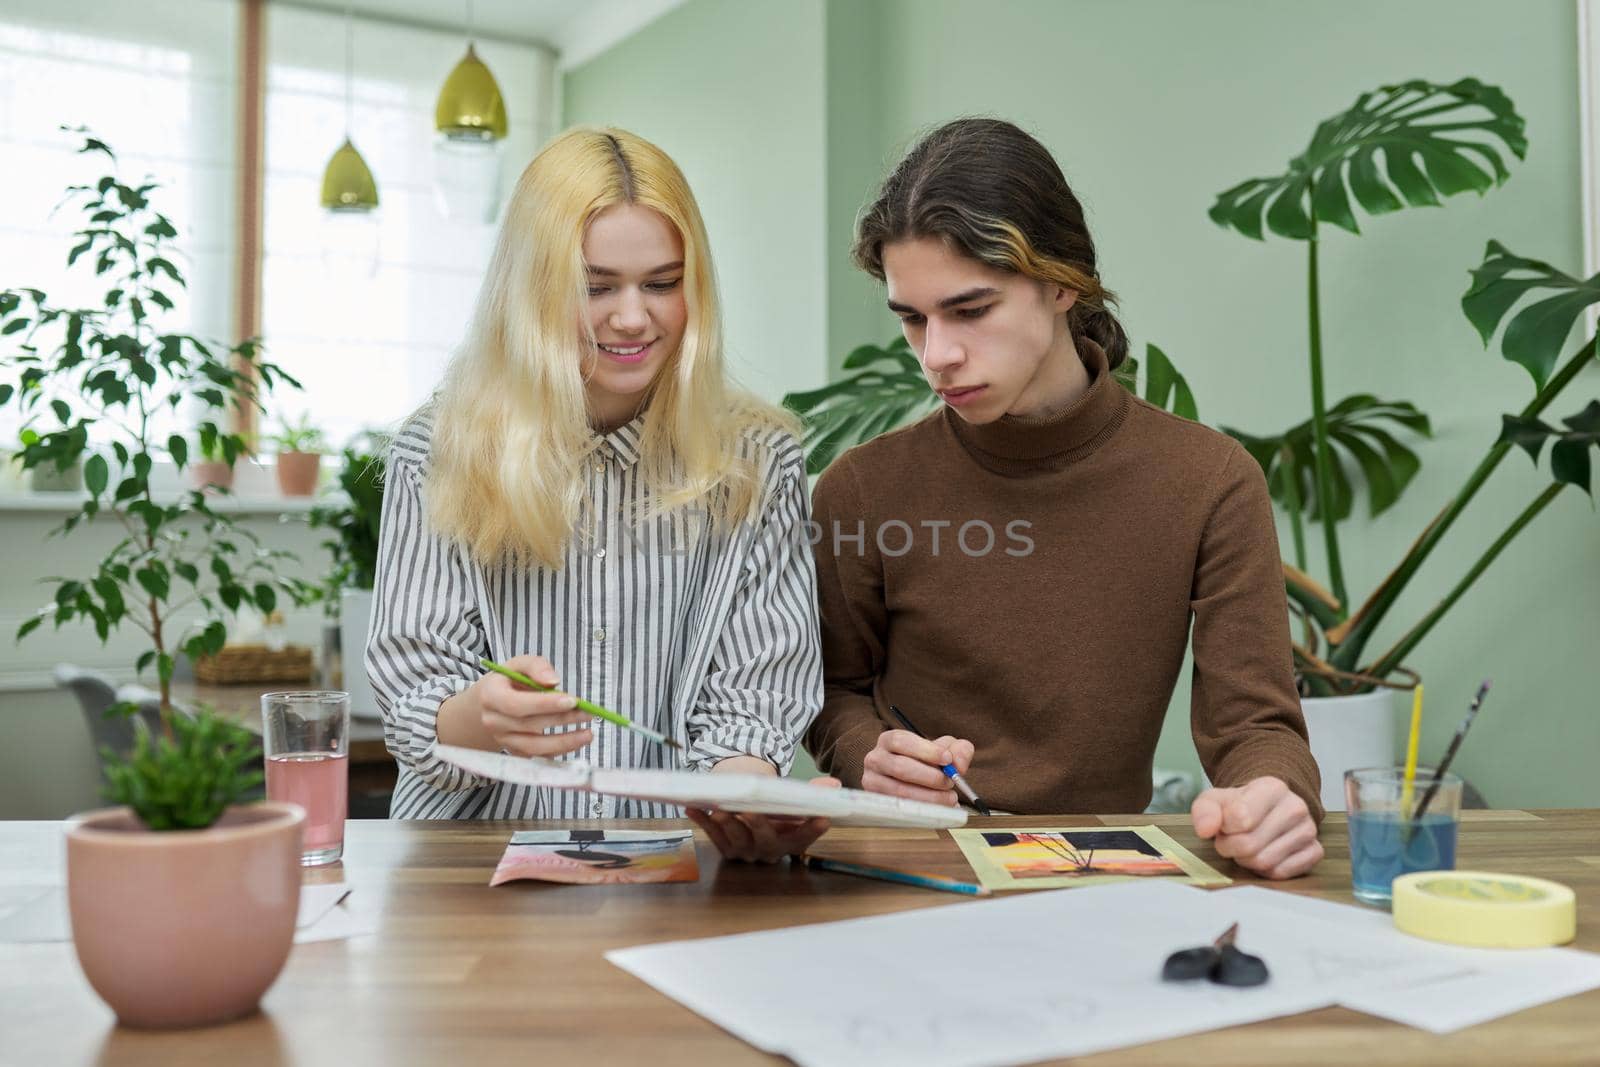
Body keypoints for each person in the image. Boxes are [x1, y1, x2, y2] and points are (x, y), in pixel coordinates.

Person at [805, 118, 1324, 879]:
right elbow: (831, 689)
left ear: (1062, 281)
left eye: (970, 309)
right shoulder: (861, 489)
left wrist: (1274, 795)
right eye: (912, 318)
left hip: (1100, 875)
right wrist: (866, 754)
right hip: (908, 869)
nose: (936, 355)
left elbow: (1254, 723)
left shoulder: (1210, 481)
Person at [368, 127, 830, 862]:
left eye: (662, 282)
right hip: (468, 865)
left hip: (679, 864)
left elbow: (755, 695)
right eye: (596, 286)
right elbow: (413, 695)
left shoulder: (757, 459)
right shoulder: (440, 449)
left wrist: (748, 798)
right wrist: (484, 717)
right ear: (532, 290)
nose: (632, 317)